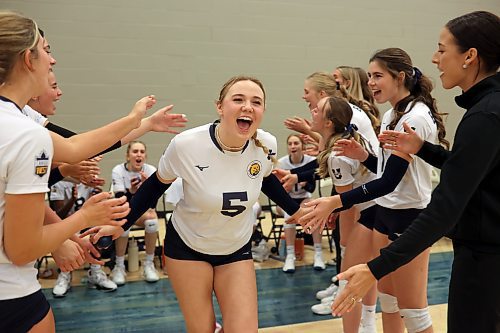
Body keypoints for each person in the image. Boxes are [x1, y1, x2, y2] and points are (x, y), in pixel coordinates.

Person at [84, 75, 309, 333]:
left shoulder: (266, 144)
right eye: (238, 99)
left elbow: (266, 178)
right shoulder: (187, 145)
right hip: (188, 248)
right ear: (220, 107)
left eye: (256, 102)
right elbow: (156, 185)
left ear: (262, 111)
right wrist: (119, 225)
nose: (248, 106)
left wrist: (297, 210)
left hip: (235, 249)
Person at [328, 11, 500, 333]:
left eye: (441, 49)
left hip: (480, 257)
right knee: (393, 305)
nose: (434, 59)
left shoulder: (483, 116)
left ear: (470, 56)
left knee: (415, 313)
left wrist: (375, 266)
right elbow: (472, 168)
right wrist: (422, 149)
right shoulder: (483, 110)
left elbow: (446, 205)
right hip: (463, 246)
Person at [298, 48, 449, 333]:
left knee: (414, 313)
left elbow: (390, 182)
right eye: (369, 76)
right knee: (389, 303)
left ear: (400, 76)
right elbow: (386, 170)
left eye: (378, 76)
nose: (371, 83)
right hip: (386, 215)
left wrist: (335, 201)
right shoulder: (392, 112)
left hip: (410, 219)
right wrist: (363, 156)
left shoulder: (413, 117)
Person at [0, 11, 131, 333]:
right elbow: (21, 248)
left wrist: (138, 121)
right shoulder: (25, 134)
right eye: (46, 49)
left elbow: (74, 149)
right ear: (28, 58)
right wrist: (85, 217)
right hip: (9, 293)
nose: (53, 60)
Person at [304, 96, 378, 332]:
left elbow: (346, 203)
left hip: (374, 212)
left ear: (329, 123)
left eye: (319, 109)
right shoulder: (344, 141)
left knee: (349, 278)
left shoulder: (338, 154)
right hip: (381, 208)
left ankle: (361, 327)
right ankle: (368, 325)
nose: (313, 110)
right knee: (369, 272)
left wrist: (325, 213)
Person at [50, 181, 117, 297]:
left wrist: (97, 198)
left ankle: (95, 272)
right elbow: (59, 216)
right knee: (67, 231)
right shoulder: (58, 183)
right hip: (66, 224)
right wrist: (72, 199)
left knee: (99, 231)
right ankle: (65, 273)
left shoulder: (91, 179)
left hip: (87, 223)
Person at [111, 141, 160, 284]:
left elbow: (152, 206)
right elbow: (120, 203)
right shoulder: (118, 170)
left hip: (143, 212)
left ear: (145, 156)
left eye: (142, 152)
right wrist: (132, 192)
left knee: (152, 220)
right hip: (123, 212)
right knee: (124, 221)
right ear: (128, 156)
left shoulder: (151, 170)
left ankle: (149, 264)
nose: (139, 154)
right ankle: (119, 266)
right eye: (135, 151)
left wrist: (147, 188)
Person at [277, 134, 320, 272]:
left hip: (304, 198)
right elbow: (276, 189)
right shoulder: (281, 163)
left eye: (296, 143)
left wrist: (304, 184)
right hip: (286, 199)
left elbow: (312, 188)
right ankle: (290, 256)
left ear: (302, 146)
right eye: (290, 144)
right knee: (288, 214)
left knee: (314, 211)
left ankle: (318, 253)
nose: (293, 146)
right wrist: (285, 186)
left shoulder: (311, 160)